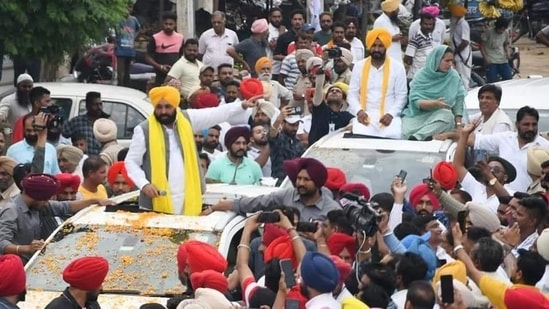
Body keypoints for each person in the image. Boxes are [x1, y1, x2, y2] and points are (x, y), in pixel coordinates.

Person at [125, 86, 259, 215]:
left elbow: (215, 113)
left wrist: (242, 105)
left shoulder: (187, 119)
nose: (163, 111)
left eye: (167, 107)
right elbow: (131, 161)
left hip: (187, 197)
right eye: (159, 107)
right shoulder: (143, 130)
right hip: (156, 199)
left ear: (175, 106)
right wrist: (144, 184)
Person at [0, 174, 110, 263]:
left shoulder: (38, 205)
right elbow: (2, 243)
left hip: (33, 263)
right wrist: (26, 249)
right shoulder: (11, 211)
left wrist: (93, 201)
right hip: (15, 267)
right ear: (37, 197)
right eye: (46, 199)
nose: (47, 203)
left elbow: (66, 207)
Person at [468, 106, 549, 191]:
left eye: (534, 124)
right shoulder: (505, 138)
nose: (531, 128)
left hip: (529, 200)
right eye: (526, 124)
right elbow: (473, 140)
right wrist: (464, 131)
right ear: (517, 124)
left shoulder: (545, 147)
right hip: (502, 199)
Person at [348, 28, 407, 139]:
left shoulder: (398, 67)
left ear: (386, 47)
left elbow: (401, 96)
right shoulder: (359, 66)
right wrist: (359, 111)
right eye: (374, 45)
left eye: (380, 46)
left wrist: (390, 114)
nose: (376, 49)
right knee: (359, 137)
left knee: (393, 135)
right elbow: (352, 94)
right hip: (364, 117)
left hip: (389, 117)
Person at [402, 45, 467, 141]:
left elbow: (458, 101)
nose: (450, 64)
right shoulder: (421, 76)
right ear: (436, 59)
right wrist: (434, 103)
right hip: (419, 117)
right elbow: (415, 101)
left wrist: (458, 125)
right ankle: (422, 136)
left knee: (447, 115)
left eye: (451, 61)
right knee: (405, 130)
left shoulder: (453, 76)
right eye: (447, 61)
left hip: (442, 117)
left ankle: (418, 137)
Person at [45, 256, 109, 309]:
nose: (101, 288)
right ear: (87, 285)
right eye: (99, 284)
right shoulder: (57, 307)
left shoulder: (91, 304)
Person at [145, 11, 184, 86]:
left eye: (171, 24)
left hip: (176, 77)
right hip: (160, 76)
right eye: (166, 24)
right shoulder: (155, 37)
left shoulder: (180, 38)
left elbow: (181, 55)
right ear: (162, 23)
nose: (168, 26)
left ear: (175, 24)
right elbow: (147, 56)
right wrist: (160, 66)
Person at [114, 2, 141, 87]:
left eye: (129, 8)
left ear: (131, 9)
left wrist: (134, 37)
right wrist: (115, 40)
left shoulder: (134, 19)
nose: (127, 10)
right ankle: (120, 87)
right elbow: (109, 30)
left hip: (130, 50)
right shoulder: (117, 19)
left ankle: (127, 88)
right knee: (120, 73)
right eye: (125, 8)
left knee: (128, 73)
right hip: (120, 50)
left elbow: (139, 29)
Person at [481, 18, 513, 83]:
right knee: (492, 81)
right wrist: (486, 58)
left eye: (503, 29)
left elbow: (505, 44)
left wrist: (507, 53)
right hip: (491, 60)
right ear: (496, 27)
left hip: (502, 59)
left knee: (508, 79)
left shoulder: (505, 32)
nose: (501, 31)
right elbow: (482, 46)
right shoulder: (489, 32)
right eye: (500, 29)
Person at [404, 13, 434, 81]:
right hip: (415, 77)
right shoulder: (415, 40)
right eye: (426, 24)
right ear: (421, 24)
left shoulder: (430, 37)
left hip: (426, 76)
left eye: (430, 24)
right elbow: (407, 59)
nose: (428, 27)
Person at [449, 4, 472, 89]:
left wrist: (455, 52)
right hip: (458, 56)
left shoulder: (463, 24)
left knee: (464, 79)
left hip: (462, 56)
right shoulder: (457, 24)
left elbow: (465, 42)